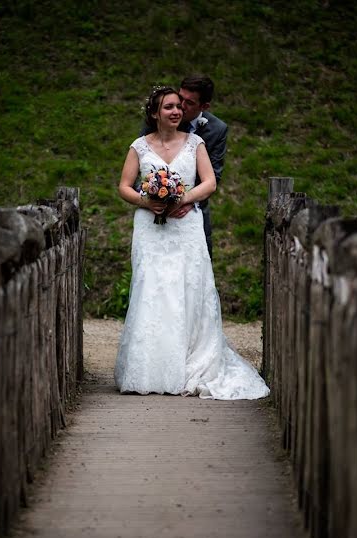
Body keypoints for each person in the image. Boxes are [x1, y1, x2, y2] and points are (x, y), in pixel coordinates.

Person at [114, 86, 269, 400]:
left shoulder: (196, 143)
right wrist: (147, 202)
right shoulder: (139, 147)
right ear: (155, 113)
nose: (175, 111)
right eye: (168, 107)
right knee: (151, 288)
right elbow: (124, 186)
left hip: (186, 227)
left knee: (188, 287)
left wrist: (183, 197)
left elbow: (209, 182)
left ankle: (190, 364)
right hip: (151, 229)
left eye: (178, 107)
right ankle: (149, 369)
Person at [140, 75, 227, 259]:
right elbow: (143, 161)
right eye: (180, 98)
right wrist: (151, 197)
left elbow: (213, 176)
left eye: (189, 103)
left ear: (204, 107)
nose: (180, 107)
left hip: (190, 214)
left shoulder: (217, 130)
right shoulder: (160, 119)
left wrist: (187, 201)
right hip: (154, 214)